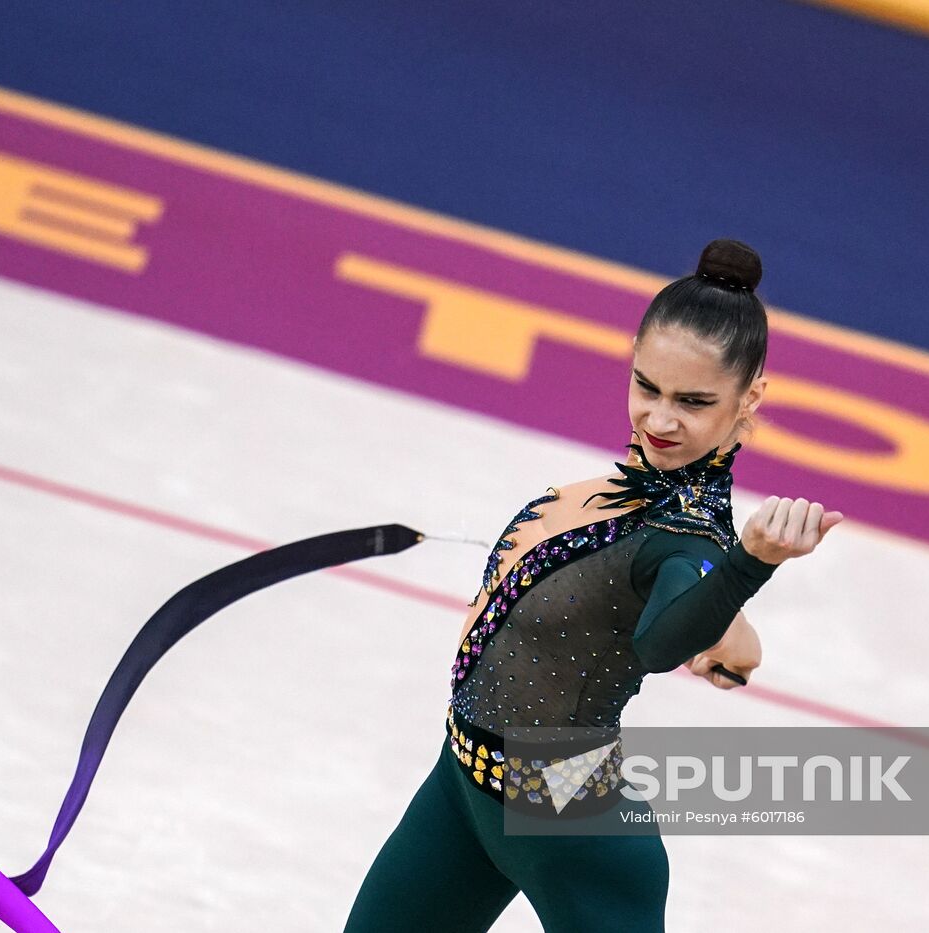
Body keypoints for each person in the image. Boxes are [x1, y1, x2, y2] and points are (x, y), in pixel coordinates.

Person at [345, 236, 843, 933]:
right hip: (460, 791)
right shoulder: (618, 495)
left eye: (694, 401)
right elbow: (686, 623)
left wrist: (750, 563)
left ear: (749, 397)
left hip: (569, 822)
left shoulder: (690, 538)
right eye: (649, 386)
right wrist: (725, 624)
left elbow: (660, 641)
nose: (660, 419)